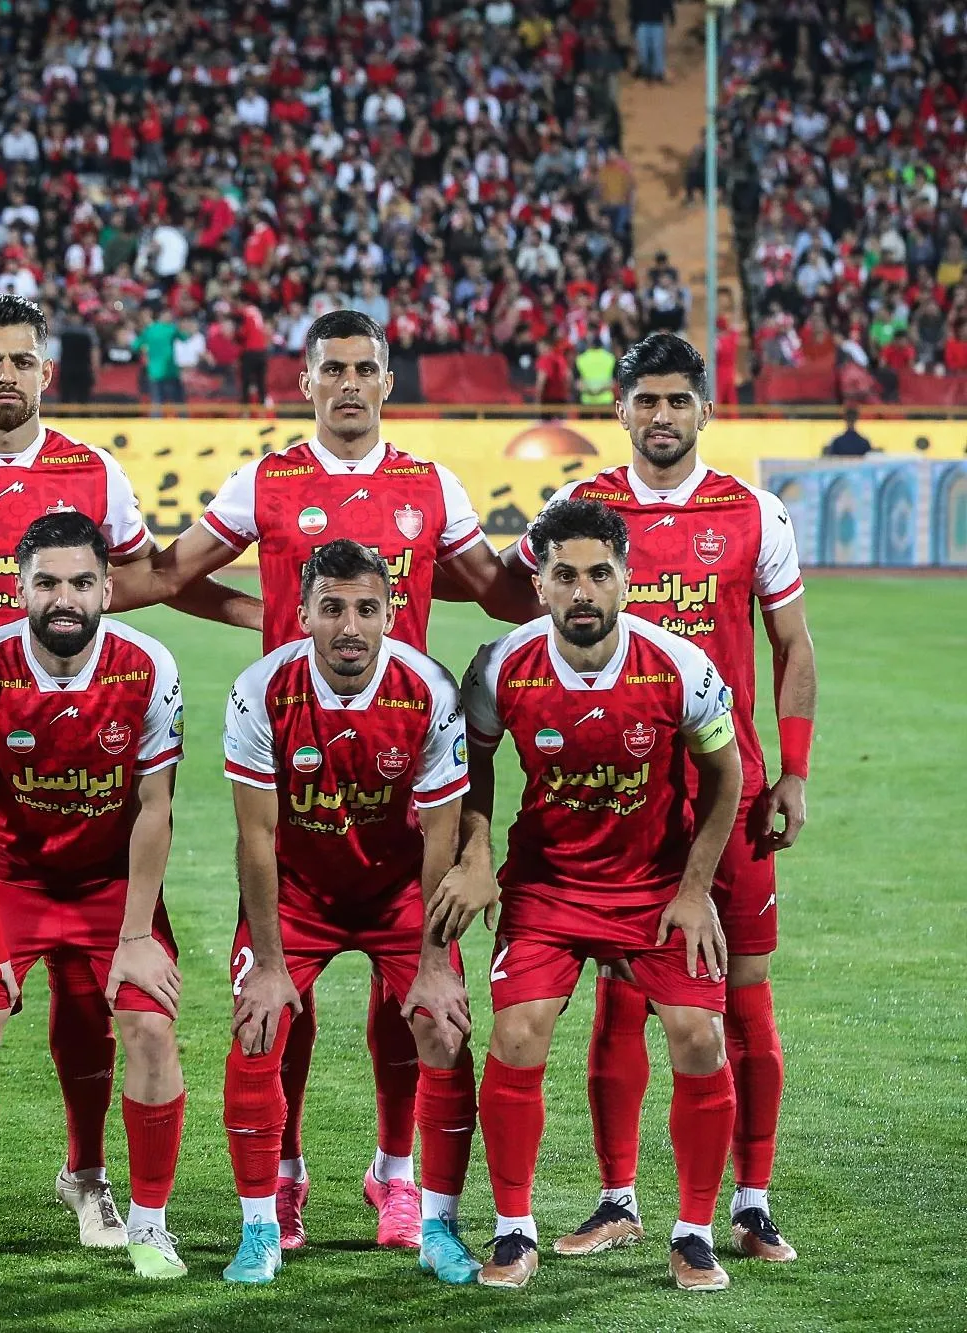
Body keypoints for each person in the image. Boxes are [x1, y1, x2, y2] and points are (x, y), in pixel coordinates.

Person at [0, 292, 258, 1245]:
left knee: (83, 982)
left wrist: (255, 613)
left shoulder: (93, 472)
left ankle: (88, 1171)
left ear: (45, 371)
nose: (6, 375)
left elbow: (150, 577)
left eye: (22, 360)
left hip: (83, 768)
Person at [121, 309, 535, 1250]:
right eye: (332, 369)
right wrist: (263, 616)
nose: (349, 384)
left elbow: (496, 589)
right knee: (284, 1001)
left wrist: (599, 601)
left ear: (387, 381)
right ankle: (288, 1175)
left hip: (406, 768)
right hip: (295, 759)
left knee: (408, 1001)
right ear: (305, 382)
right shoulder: (266, 480)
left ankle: (396, 1176)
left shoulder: (430, 485)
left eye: (364, 369)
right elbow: (173, 575)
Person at [503, 333, 815, 1263]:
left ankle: (751, 1203)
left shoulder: (752, 511)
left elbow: (793, 644)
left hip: (729, 789)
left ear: (704, 409)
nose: (663, 416)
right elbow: (510, 594)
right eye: (647, 400)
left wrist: (794, 768)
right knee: (620, 993)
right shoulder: (580, 507)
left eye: (679, 399)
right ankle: (617, 1199)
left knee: (742, 995)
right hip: (619, 796)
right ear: (622, 409)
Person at [456, 498, 744, 1293]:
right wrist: (477, 852)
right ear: (539, 584)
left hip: (654, 885)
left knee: (699, 1037)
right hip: (547, 886)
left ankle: (694, 1234)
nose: (582, 591)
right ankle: (514, 1230)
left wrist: (694, 890)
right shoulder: (500, 665)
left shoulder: (678, 665)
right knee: (517, 1032)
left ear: (626, 578)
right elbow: (471, 764)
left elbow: (727, 776)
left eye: (598, 574)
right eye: (564, 575)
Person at [0, 512, 189, 1282]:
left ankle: (151, 1223)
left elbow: (155, 806)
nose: (63, 598)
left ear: (107, 589)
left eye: (80, 583)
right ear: (20, 588)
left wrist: (136, 934)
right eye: (47, 583)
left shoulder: (149, 664)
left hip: (109, 882)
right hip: (10, 878)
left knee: (151, 1027)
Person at [219, 539, 481, 1287]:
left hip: (400, 892)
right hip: (298, 894)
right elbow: (256, 837)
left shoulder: (428, 688)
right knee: (259, 1029)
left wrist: (434, 963)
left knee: (442, 1028)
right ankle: (265, 1218)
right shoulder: (260, 690)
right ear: (302, 614)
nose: (350, 627)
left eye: (367, 608)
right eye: (331, 608)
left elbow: (441, 834)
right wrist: (270, 966)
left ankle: (424, 1209)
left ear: (391, 614)